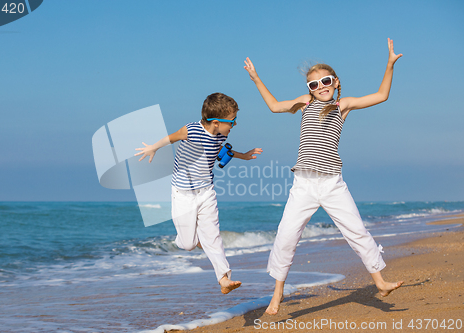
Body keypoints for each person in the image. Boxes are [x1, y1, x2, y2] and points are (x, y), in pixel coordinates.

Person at [243, 38, 404, 314]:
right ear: (309, 90)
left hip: (331, 183)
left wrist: (389, 65)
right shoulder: (305, 104)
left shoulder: (344, 105)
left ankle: (380, 282)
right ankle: (277, 295)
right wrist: (256, 78)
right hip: (303, 183)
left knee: (356, 231)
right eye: (314, 85)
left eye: (326, 81)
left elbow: (381, 96)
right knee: (286, 237)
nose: (320, 87)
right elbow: (274, 106)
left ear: (336, 82)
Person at [135, 92, 262, 294]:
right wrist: (153, 148)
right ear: (215, 122)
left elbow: (218, 148)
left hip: (206, 191)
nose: (235, 124)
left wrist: (243, 156)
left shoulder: (221, 133)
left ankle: (224, 279)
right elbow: (171, 137)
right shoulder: (191, 130)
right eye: (232, 121)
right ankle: (195, 240)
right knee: (188, 244)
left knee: (213, 236)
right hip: (183, 192)